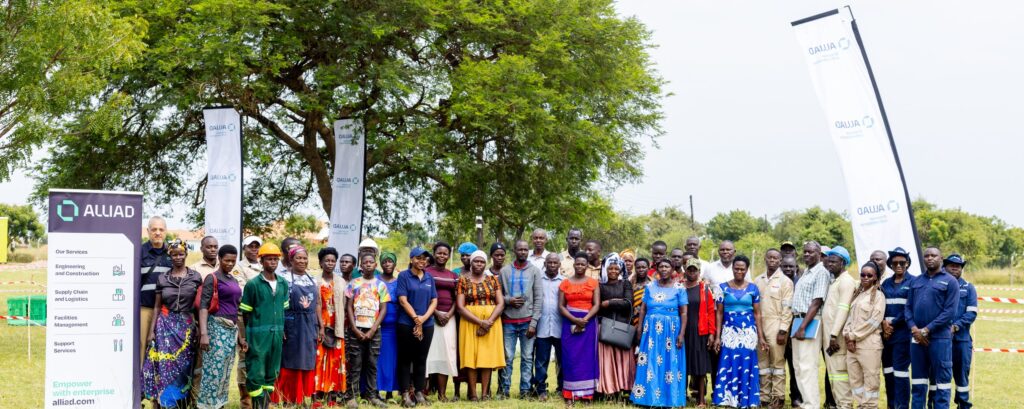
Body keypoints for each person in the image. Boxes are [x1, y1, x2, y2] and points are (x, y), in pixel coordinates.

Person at [142, 239, 202, 408]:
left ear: (186, 254)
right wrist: (151, 331)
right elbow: (157, 306)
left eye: (181, 254)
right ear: (170, 256)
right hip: (165, 327)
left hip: (187, 327)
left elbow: (199, 305)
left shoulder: (195, 277)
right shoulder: (163, 278)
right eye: (174, 254)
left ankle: (181, 402)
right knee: (165, 365)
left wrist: (199, 327)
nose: (178, 257)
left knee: (184, 365)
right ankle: (165, 403)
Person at [630, 258, 688, 408]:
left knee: (669, 362)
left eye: (667, 267)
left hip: (671, 330)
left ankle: (669, 399)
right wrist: (639, 328)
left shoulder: (679, 288)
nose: (663, 269)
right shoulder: (650, 287)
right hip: (650, 331)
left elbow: (683, 313)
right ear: (657, 269)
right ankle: (648, 398)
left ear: (672, 269)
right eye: (661, 266)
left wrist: (681, 334)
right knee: (650, 360)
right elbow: (643, 309)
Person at [906, 247, 958, 409]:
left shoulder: (950, 281)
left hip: (940, 339)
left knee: (942, 382)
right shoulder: (916, 281)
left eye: (934, 255)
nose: (930, 258)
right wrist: (914, 329)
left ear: (941, 259)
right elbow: (908, 308)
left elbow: (949, 312)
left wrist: (926, 330)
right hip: (917, 339)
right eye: (927, 255)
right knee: (918, 382)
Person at [240, 243, 289, 409]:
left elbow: (282, 310)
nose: (273, 262)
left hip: (277, 334)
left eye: (275, 259)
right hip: (258, 335)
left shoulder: (283, 283)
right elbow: (245, 313)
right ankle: (258, 406)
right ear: (261, 261)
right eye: (269, 259)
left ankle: (265, 405)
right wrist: (247, 336)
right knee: (256, 371)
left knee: (272, 371)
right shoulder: (253, 284)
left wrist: (281, 329)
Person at [273, 246, 324, 406]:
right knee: (289, 361)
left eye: (304, 258)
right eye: (298, 258)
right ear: (291, 260)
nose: (302, 261)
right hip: (291, 323)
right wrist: (280, 326)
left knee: (306, 361)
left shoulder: (313, 279)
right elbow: (278, 304)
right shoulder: (283, 278)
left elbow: (318, 303)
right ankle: (287, 397)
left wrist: (321, 326)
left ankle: (302, 397)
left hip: (309, 325)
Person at [197, 245, 246, 409]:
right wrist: (204, 334)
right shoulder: (212, 278)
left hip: (231, 331)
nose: (230, 264)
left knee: (225, 370)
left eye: (233, 261)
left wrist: (240, 337)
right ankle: (207, 405)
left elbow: (235, 309)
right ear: (219, 259)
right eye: (227, 260)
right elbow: (203, 306)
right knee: (213, 371)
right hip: (216, 329)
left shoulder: (233, 279)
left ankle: (219, 404)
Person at [712, 255, 764, 408]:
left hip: (748, 333)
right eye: (736, 268)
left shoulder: (753, 288)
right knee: (728, 362)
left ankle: (747, 399)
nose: (739, 271)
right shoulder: (722, 287)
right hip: (729, 331)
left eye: (742, 269)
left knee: (747, 362)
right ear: (732, 268)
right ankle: (727, 399)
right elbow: (719, 313)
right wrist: (717, 337)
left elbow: (757, 314)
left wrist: (761, 337)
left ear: (747, 270)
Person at [456, 250, 507, 401]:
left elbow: (500, 303)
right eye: (476, 261)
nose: (479, 264)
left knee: (487, 356)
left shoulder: (493, 280)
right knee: (470, 357)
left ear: (485, 264)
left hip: (492, 322)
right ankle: (473, 394)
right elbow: (460, 306)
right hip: (469, 322)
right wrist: (480, 323)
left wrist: (488, 322)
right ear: (471, 263)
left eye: (482, 262)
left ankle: (485, 394)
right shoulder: (463, 280)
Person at [498, 240, 544, 399]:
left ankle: (525, 390)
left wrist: (534, 323)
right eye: (520, 249)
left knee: (527, 357)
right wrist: (508, 300)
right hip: (508, 321)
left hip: (527, 322)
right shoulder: (504, 271)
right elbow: (498, 296)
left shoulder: (534, 271)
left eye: (525, 249)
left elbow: (538, 298)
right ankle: (504, 390)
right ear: (514, 250)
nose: (523, 252)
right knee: (507, 357)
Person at [345, 253, 390, 408]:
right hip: (356, 329)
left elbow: (383, 309)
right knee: (355, 363)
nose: (368, 264)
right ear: (361, 266)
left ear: (375, 265)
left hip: (374, 330)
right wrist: (354, 328)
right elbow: (348, 307)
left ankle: (372, 395)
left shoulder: (381, 285)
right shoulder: (354, 283)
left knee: (372, 363)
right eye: (365, 262)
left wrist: (373, 329)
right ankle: (351, 396)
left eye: (371, 262)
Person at [395, 247, 439, 407]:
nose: (422, 261)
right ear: (411, 259)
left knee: (421, 359)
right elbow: (402, 300)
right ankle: (405, 394)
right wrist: (415, 319)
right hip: (406, 323)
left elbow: (434, 300)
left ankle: (419, 392)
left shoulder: (429, 277)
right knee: (405, 359)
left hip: (427, 324)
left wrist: (423, 319)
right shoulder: (404, 276)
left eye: (424, 259)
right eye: (418, 258)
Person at [791, 241, 831, 409]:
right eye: (805, 251)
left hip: (810, 321)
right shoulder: (806, 271)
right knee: (798, 366)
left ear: (819, 254)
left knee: (807, 366)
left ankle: (811, 405)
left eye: (811, 252)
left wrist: (803, 327)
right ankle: (807, 402)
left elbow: (817, 302)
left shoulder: (821, 272)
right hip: (798, 320)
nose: (806, 254)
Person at [843, 262, 887, 409]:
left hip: (869, 346)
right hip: (852, 345)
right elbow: (849, 318)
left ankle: (870, 406)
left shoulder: (878, 296)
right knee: (855, 380)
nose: (865, 277)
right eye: (863, 274)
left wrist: (853, 336)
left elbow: (874, 322)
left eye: (869, 275)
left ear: (875, 277)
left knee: (871, 380)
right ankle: (861, 405)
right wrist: (847, 335)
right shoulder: (858, 295)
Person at [753, 249, 794, 409]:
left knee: (777, 363)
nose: (772, 260)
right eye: (769, 257)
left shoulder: (785, 282)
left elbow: (787, 308)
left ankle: (778, 397)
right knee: (762, 363)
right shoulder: (758, 280)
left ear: (780, 261)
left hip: (776, 325)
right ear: (765, 258)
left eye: (775, 258)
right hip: (760, 326)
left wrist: (783, 330)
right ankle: (764, 396)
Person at [559, 252, 601, 402]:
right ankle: (569, 395)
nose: (580, 266)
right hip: (569, 323)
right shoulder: (565, 283)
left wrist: (585, 319)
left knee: (587, 358)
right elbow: (561, 306)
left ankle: (587, 395)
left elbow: (596, 305)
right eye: (578, 264)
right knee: (570, 358)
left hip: (588, 324)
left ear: (587, 265)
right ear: (574, 264)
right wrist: (575, 320)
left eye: (583, 264)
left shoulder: (593, 283)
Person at [820, 246, 856, 409]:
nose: (830, 264)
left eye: (834, 261)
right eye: (829, 261)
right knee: (833, 373)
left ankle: (845, 405)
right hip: (830, 337)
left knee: (840, 374)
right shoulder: (836, 281)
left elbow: (843, 309)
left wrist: (834, 335)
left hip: (837, 338)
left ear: (843, 263)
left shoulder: (846, 281)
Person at [425, 242, 460, 401]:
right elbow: (424, 295)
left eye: (445, 253)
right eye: (439, 253)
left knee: (446, 354)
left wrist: (449, 315)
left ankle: (442, 394)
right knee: (427, 354)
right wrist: (436, 313)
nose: (442, 256)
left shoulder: (453, 276)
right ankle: (423, 392)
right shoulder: (426, 273)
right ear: (434, 254)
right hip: (429, 317)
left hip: (448, 319)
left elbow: (457, 298)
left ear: (449, 256)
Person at [596, 254, 635, 397]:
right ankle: (609, 390)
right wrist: (618, 301)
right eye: (610, 268)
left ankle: (624, 388)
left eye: (616, 268)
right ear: (605, 269)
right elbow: (598, 306)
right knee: (607, 360)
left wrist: (609, 303)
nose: (613, 271)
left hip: (622, 326)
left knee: (622, 360)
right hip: (605, 327)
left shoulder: (625, 284)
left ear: (620, 270)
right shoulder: (600, 286)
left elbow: (628, 304)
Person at [880, 247, 913, 409]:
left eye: (902, 262)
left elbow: (909, 308)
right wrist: (883, 324)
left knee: (900, 373)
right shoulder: (886, 283)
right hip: (886, 336)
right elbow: (880, 306)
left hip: (902, 335)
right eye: (895, 263)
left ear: (907, 263)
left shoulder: (913, 282)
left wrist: (891, 324)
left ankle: (902, 406)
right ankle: (891, 405)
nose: (898, 265)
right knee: (888, 372)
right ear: (890, 265)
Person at [680, 258, 715, 407]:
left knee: (700, 367)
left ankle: (701, 400)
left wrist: (711, 333)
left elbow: (711, 312)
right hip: (682, 331)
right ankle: (681, 397)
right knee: (682, 364)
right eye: (689, 270)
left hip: (699, 331)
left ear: (699, 272)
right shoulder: (679, 287)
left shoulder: (705, 289)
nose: (692, 272)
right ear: (685, 271)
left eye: (695, 270)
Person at [315, 247, 347, 405]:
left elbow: (345, 304)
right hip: (319, 325)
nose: (330, 263)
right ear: (321, 263)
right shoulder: (315, 281)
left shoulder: (341, 282)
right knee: (319, 361)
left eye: (333, 261)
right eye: (326, 260)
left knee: (335, 361)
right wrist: (320, 326)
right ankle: (317, 396)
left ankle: (332, 397)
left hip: (337, 326)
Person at [532, 253, 564, 401]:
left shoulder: (564, 281)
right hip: (542, 326)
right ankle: (541, 390)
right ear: (545, 264)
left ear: (559, 265)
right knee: (541, 360)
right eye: (549, 262)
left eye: (555, 263)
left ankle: (562, 388)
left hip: (560, 327)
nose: (552, 265)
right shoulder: (537, 280)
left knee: (562, 360)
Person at [140, 216, 172, 365]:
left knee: (164, 349)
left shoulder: (172, 253)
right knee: (142, 346)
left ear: (166, 231)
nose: (157, 233)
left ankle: (160, 379)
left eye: (161, 229)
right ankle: (140, 379)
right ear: (148, 231)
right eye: (154, 229)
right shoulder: (139, 252)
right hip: (145, 309)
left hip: (166, 311)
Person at [945, 254, 976, 409]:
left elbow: (971, 313)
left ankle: (963, 405)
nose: (955, 268)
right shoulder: (939, 286)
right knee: (939, 376)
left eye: (958, 266)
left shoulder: (968, 287)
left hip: (962, 340)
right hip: (941, 339)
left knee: (962, 376)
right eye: (951, 265)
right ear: (945, 267)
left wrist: (956, 326)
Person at [376, 251, 401, 400]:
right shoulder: (376, 281)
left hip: (395, 327)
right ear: (380, 264)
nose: (387, 264)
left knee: (392, 359)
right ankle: (376, 390)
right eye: (384, 262)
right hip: (378, 325)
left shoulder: (399, 282)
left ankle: (390, 392)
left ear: (395, 264)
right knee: (378, 359)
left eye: (390, 261)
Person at [779, 255, 804, 407]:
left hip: (795, 330)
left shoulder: (800, 283)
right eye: (785, 266)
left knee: (795, 366)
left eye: (791, 266)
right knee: (777, 365)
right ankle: (777, 395)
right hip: (778, 330)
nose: (788, 269)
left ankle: (796, 396)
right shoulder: (778, 282)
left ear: (796, 268)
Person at [631, 258, 651, 329]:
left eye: (643, 267)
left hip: (648, 318)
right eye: (638, 267)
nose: (641, 269)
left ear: (648, 268)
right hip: (632, 319)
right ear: (635, 269)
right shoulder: (630, 283)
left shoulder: (653, 284)